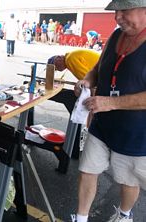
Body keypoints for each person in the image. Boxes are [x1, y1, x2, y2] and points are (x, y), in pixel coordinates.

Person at [71, 0, 146, 221]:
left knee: (128, 179)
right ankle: (81, 217)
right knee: (87, 170)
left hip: (135, 133)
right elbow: (99, 67)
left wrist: (111, 103)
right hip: (101, 125)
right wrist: (87, 80)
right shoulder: (115, 36)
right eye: (116, 11)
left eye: (124, 10)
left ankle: (124, 215)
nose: (117, 17)